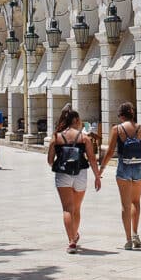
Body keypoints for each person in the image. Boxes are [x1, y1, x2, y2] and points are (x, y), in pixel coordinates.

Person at [99, 101, 141, 250]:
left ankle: (128, 239)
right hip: (139, 167)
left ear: (121, 116)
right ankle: (135, 234)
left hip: (124, 167)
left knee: (125, 204)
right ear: (133, 114)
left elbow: (110, 152)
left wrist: (100, 170)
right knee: (136, 201)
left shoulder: (117, 129)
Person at [48, 105, 101, 253]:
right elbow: (91, 159)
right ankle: (75, 235)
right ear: (76, 120)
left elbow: (50, 160)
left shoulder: (57, 137)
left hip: (63, 173)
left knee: (67, 208)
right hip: (81, 173)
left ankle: (71, 240)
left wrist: (58, 166)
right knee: (76, 208)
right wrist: (97, 176)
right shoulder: (84, 138)